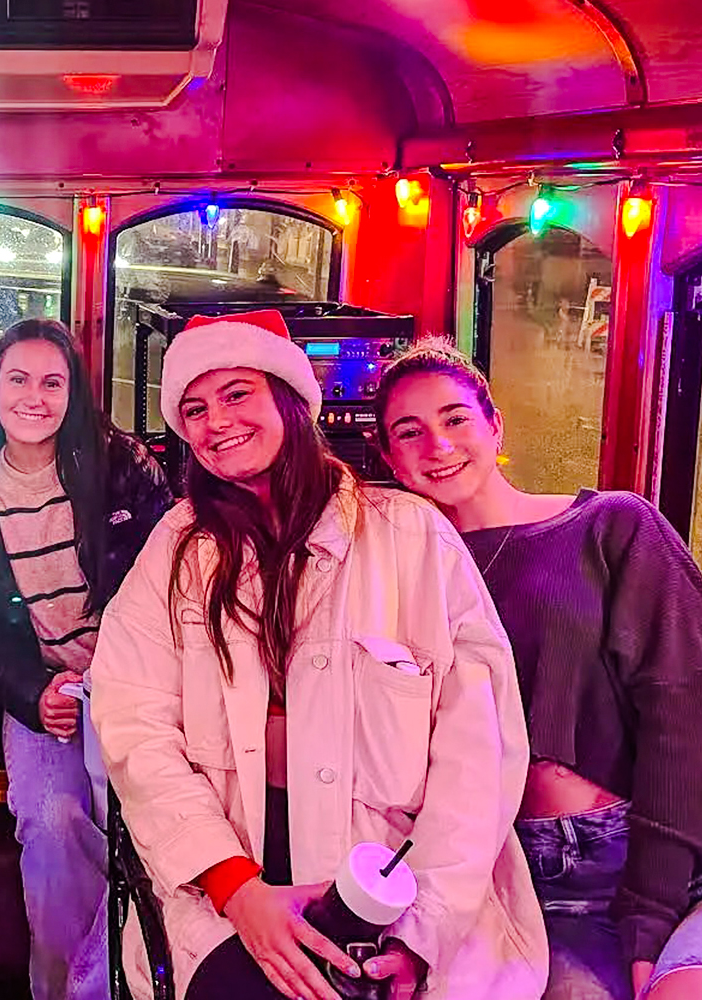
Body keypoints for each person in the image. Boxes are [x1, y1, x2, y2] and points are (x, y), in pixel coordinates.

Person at [89, 310, 547, 1000]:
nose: (217, 422)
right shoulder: (177, 550)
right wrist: (236, 888)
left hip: (392, 878)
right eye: (195, 409)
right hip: (229, 876)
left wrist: (419, 932)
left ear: (290, 399)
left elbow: (478, 752)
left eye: (237, 394)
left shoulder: (411, 536)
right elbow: (135, 726)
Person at [375, 343, 702, 1000]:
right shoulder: (401, 580)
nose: (438, 445)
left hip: (686, 857)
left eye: (455, 419)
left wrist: (650, 909)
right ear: (388, 459)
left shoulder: (612, 525)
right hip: (534, 884)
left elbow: (681, 714)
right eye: (410, 432)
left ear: (494, 426)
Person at [0, 318, 171, 1000]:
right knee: (51, 820)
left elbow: (171, 580)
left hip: (134, 686)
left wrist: (123, 674)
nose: (34, 398)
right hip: (40, 692)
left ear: (74, 393)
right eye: (18, 379)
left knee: (150, 826)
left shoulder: (122, 466)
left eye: (52, 382)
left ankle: (89, 990)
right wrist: (31, 692)